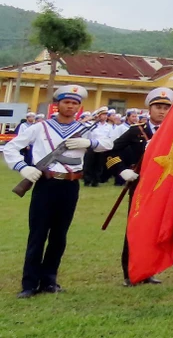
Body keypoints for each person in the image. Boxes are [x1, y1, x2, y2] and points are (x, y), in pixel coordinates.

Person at [5, 85, 114, 298]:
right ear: (58, 104)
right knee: (37, 234)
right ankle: (29, 283)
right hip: (46, 184)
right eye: (66, 102)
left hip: (70, 185)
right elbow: (11, 148)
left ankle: (49, 280)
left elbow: (108, 143)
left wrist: (89, 142)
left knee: (59, 235)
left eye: (74, 103)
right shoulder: (40, 127)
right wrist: (23, 167)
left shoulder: (86, 129)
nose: (70, 106)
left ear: (79, 107)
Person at [105, 87, 173, 286]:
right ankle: (130, 272)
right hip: (141, 185)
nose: (162, 111)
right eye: (158, 107)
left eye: (165, 108)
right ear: (149, 109)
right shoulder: (137, 131)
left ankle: (149, 270)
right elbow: (110, 152)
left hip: (163, 186)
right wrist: (122, 170)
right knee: (136, 228)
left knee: (155, 229)